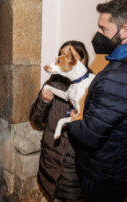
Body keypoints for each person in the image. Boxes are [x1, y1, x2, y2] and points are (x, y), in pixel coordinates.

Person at [67, 1, 127, 201]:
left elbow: (90, 135)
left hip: (105, 173)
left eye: (103, 28)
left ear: (125, 31)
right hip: (123, 165)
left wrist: (73, 120)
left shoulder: (119, 78)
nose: (98, 34)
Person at [30, 41, 89, 202]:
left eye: (74, 56)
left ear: (83, 60)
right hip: (51, 159)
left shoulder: (93, 85)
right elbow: (35, 119)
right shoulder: (53, 83)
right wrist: (43, 101)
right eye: (62, 55)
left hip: (76, 164)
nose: (67, 59)